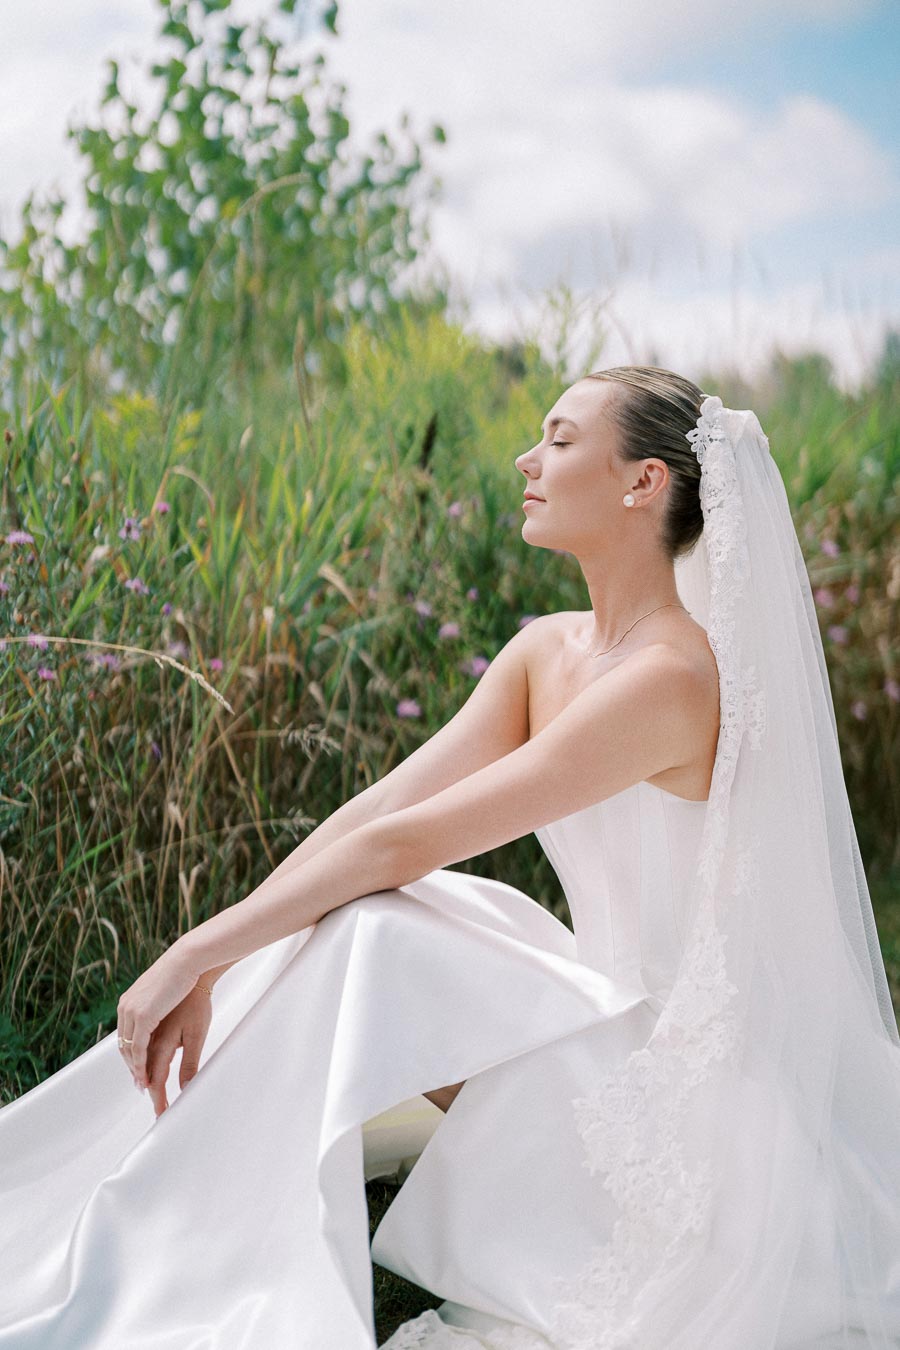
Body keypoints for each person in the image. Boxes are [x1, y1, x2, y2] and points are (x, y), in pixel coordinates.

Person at [0, 367, 897, 1350]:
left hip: (677, 1085)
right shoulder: (545, 651)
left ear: (644, 483)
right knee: (389, 916)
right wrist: (219, 948)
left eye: (559, 438)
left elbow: (407, 842)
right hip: (597, 1014)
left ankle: (200, 1215)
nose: (528, 458)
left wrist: (196, 953)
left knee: (382, 926)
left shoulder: (671, 678)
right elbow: (379, 809)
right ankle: (158, 1194)